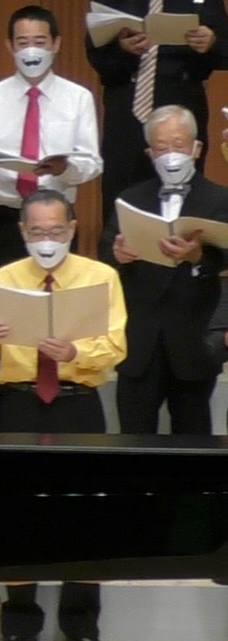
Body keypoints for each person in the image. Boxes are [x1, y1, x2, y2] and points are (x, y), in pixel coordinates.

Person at [0, 189, 126, 641]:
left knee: (85, 513)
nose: (47, 240)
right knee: (16, 512)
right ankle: (19, 624)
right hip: (18, 404)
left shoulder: (101, 277)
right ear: (22, 232)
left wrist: (76, 352)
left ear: (72, 229)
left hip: (78, 403)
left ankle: (81, 625)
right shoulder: (3, 279)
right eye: (37, 232)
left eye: (56, 230)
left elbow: (116, 346)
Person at [0, 5, 102, 429]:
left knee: (58, 313)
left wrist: (65, 168)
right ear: (9, 46)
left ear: (56, 44)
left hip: (55, 224)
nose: (31, 50)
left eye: (40, 41)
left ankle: (59, 399)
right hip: (5, 220)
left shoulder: (77, 98)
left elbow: (92, 162)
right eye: (23, 42)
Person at [86, 0, 228, 206]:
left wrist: (210, 44)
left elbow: (225, 52)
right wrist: (123, 49)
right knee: (120, 198)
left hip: (181, 104)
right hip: (126, 110)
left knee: (184, 198)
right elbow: (96, 54)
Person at [103, 105, 228, 435]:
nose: (171, 154)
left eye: (179, 145)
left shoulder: (220, 199)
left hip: (193, 343)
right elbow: (105, 252)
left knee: (193, 442)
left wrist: (199, 258)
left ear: (196, 148)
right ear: (150, 153)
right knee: (133, 441)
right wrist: (117, 254)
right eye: (161, 147)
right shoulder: (129, 198)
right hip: (139, 343)